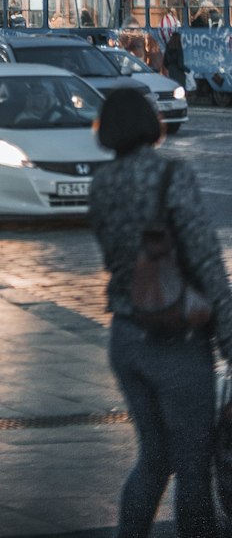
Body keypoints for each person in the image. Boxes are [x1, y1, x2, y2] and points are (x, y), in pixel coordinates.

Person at [89, 87, 232, 538]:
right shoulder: (173, 175)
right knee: (193, 467)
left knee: (155, 459)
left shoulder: (102, 183)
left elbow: (115, 257)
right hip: (177, 339)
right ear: (151, 123)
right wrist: (229, 338)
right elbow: (207, 262)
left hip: (127, 337)